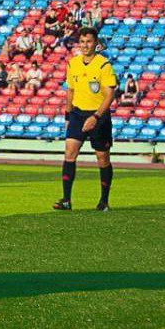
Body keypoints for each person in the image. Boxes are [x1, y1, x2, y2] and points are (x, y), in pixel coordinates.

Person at [54, 27, 117, 212]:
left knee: (102, 158)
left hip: (99, 116)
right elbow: (70, 91)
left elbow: (110, 94)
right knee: (69, 153)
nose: (85, 45)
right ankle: (66, 200)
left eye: (88, 42)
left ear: (96, 43)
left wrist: (96, 116)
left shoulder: (103, 65)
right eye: (82, 42)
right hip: (78, 114)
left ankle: (104, 201)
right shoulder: (73, 63)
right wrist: (67, 114)